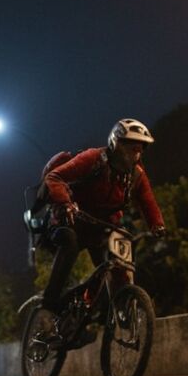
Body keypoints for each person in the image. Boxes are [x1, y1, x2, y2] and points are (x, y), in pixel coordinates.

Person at [38, 118, 166, 316]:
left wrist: (157, 224)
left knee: (116, 263)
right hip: (72, 220)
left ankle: (106, 308)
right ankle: (48, 307)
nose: (137, 153)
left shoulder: (137, 175)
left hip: (102, 228)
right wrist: (65, 204)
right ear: (117, 144)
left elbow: (148, 201)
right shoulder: (93, 159)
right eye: (132, 148)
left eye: (140, 149)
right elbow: (54, 177)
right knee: (70, 245)